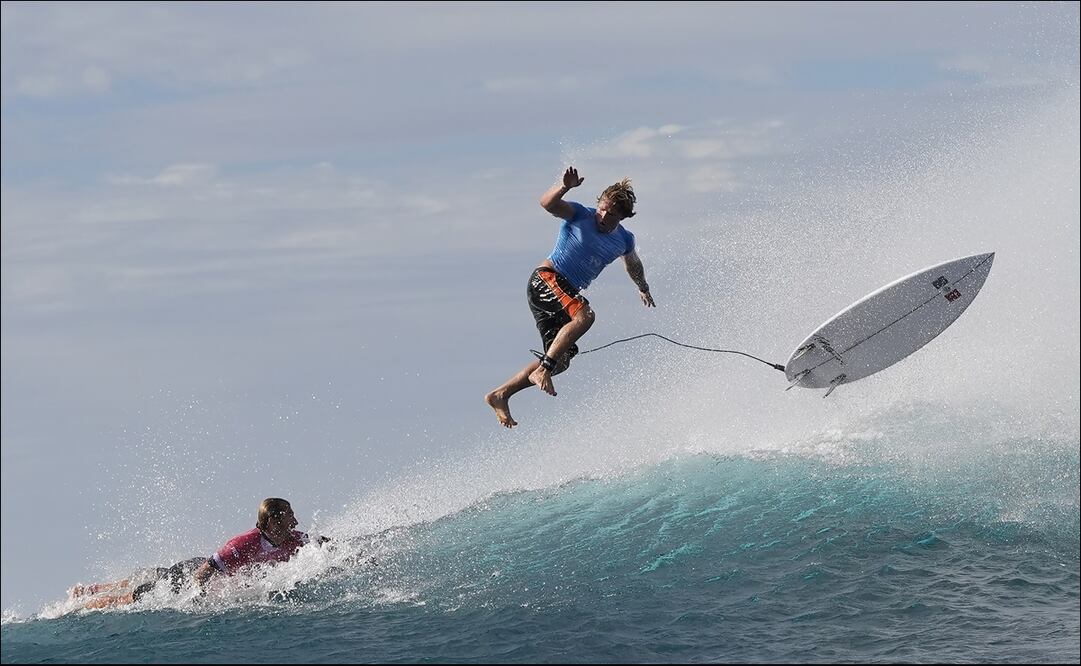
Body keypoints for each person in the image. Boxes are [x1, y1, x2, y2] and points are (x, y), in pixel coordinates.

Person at [485, 166, 655, 428]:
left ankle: (500, 394)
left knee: (560, 361)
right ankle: (542, 370)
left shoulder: (625, 239)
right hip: (547, 278)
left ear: (623, 217)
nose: (603, 216)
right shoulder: (579, 215)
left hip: (565, 293)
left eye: (610, 214)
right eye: (602, 208)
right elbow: (547, 204)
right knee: (585, 316)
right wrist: (564, 187)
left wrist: (642, 286)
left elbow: (633, 263)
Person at [193, 497, 327, 589]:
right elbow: (201, 574)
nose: (295, 523)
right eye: (290, 516)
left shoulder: (294, 539)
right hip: (189, 568)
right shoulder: (243, 544)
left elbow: (327, 544)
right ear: (273, 522)